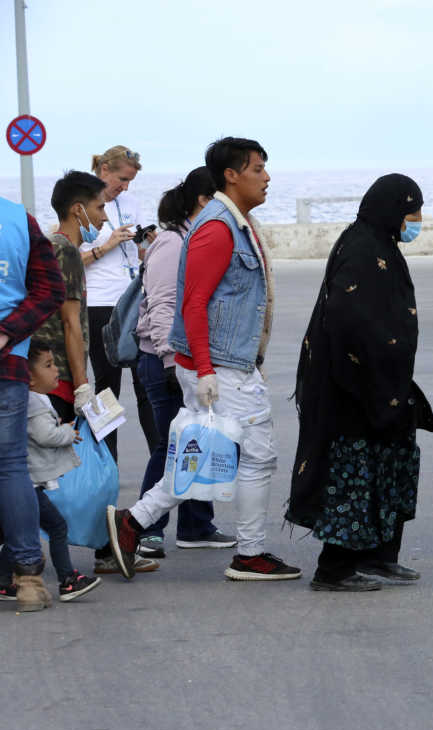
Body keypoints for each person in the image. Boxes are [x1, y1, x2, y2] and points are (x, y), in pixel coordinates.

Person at [106, 137, 301, 582]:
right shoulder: (218, 226)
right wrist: (209, 371)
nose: (266, 177)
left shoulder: (234, 221)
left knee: (193, 458)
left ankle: (131, 524)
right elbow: (193, 303)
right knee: (257, 456)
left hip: (221, 363)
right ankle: (250, 554)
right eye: (258, 168)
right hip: (219, 366)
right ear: (231, 175)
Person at [287, 174, 433, 592]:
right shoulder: (360, 248)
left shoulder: (382, 244)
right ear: (390, 210)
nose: (418, 221)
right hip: (354, 385)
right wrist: (376, 375)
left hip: (388, 381)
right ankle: (333, 569)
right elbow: (351, 321)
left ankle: (379, 556)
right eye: (412, 213)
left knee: (392, 466)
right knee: (353, 473)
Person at [132, 168, 236, 559]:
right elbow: (162, 307)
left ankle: (196, 525)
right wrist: (170, 363)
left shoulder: (194, 238)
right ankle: (145, 528)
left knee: (197, 440)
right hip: (163, 363)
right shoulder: (174, 243)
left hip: (183, 360)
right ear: (203, 200)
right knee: (170, 447)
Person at [0, 194, 66, 611]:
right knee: (10, 467)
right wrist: (8, 332)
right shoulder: (15, 219)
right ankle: (28, 579)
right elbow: (51, 289)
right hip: (7, 363)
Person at [0, 340, 101, 603]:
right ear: (30, 379)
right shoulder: (32, 401)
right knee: (55, 526)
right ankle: (67, 580)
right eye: (49, 365)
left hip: (25, 482)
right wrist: (67, 432)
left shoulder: (32, 398)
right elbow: (45, 435)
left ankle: (2, 582)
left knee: (16, 532)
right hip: (28, 484)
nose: (56, 370)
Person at [79, 145, 156, 462]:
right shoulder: (82, 204)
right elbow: (71, 259)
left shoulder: (130, 201)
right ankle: (105, 460)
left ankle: (159, 454)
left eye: (130, 181)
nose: (125, 187)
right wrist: (108, 245)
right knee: (106, 385)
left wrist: (147, 244)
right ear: (104, 170)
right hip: (99, 303)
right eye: (122, 180)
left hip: (132, 299)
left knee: (146, 382)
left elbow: (137, 248)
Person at [35, 171, 103, 423]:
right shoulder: (67, 251)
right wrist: (81, 386)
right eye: (100, 207)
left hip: (42, 375)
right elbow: (70, 322)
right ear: (78, 210)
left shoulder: (49, 245)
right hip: (60, 378)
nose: (104, 216)